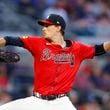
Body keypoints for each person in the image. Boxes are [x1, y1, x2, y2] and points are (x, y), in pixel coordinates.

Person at [0, 14, 110, 110]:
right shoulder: (37, 43)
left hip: (61, 103)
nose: (44, 29)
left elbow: (98, 49)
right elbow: (9, 39)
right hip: (36, 101)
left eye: (47, 26)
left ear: (58, 28)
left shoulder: (77, 48)